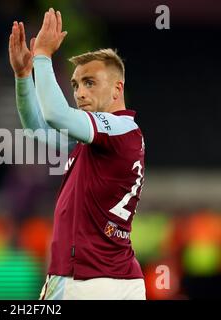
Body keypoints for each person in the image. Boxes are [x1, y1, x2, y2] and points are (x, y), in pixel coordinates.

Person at [8, 8, 146, 299]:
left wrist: (43, 55)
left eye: (90, 83)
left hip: (85, 280)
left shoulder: (116, 129)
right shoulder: (100, 141)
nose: (80, 93)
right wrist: (24, 77)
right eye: (76, 85)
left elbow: (55, 115)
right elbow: (38, 128)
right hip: (121, 279)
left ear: (117, 88)